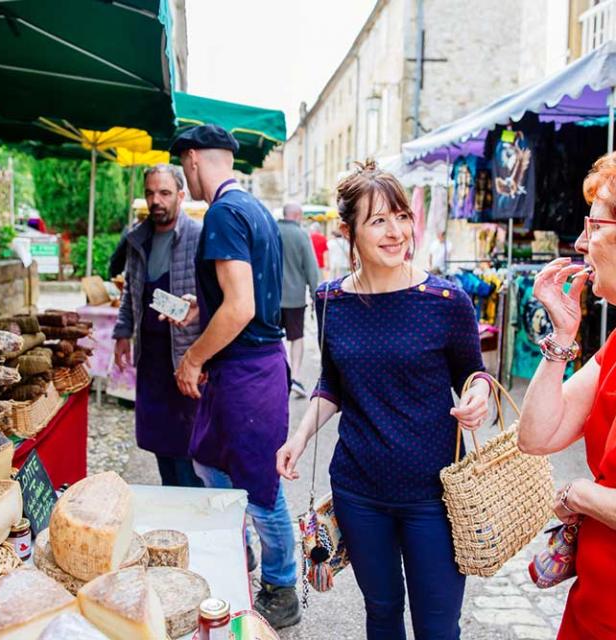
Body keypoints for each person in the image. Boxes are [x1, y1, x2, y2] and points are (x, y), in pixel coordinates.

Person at [276, 161, 491, 640]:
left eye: (401, 216)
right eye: (378, 221)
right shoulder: (331, 299)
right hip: (359, 490)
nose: (395, 232)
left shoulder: (446, 300)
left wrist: (477, 394)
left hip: (433, 495)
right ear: (349, 230)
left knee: (438, 627)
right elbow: (332, 381)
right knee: (382, 612)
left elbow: (472, 373)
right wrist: (300, 436)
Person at [169, 125, 300, 629]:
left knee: (260, 487)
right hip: (252, 367)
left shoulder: (223, 213)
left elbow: (242, 307)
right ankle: (234, 556)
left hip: (246, 372)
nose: (186, 176)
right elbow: (242, 295)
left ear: (195, 159)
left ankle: (281, 587)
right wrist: (200, 308)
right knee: (209, 464)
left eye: (184, 166)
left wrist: (192, 358)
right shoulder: (253, 207)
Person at [517, 152, 616, 639]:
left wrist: (582, 494)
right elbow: (537, 435)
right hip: (593, 603)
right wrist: (562, 335)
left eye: (594, 227)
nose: (579, 243)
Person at [113, 164, 203, 488]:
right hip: (150, 358)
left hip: (184, 356)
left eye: (164, 193)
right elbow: (130, 292)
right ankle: (171, 502)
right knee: (159, 442)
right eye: (150, 193)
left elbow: (216, 301)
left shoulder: (200, 237)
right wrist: (123, 332)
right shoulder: (138, 239)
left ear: (181, 195)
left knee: (188, 446)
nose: (156, 200)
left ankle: (193, 517)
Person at [278, 203, 319, 398]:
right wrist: (314, 294)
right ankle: (294, 376)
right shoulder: (302, 235)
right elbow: (311, 269)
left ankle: (278, 376)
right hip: (295, 298)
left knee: (273, 337)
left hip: (272, 298)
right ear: (298, 215)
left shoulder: (272, 231)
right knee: (296, 338)